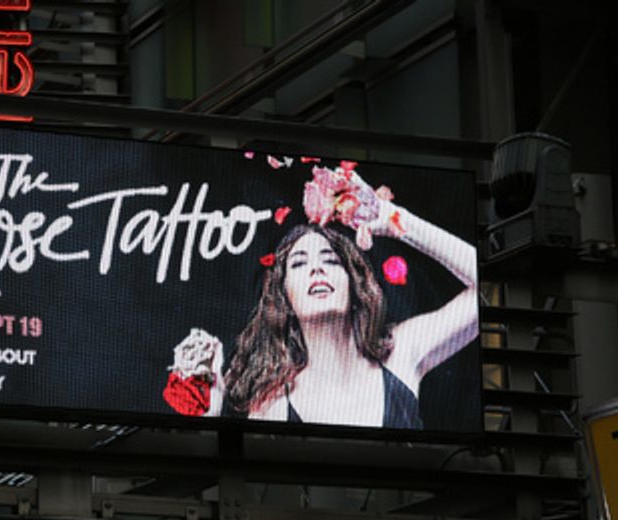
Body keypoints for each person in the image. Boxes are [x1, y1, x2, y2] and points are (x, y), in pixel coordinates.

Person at [199, 167, 477, 428]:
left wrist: (396, 221)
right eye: (298, 263)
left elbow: (482, 290)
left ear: (353, 284)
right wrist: (211, 415)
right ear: (285, 299)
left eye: (330, 260)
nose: (316, 269)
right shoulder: (274, 407)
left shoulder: (401, 352)